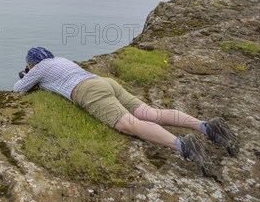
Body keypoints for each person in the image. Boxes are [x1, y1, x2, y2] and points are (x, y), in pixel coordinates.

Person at [13, 47, 240, 176]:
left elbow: (18, 89)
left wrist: (28, 75)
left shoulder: (39, 68)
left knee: (128, 124)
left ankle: (183, 145)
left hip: (87, 91)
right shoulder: (62, 60)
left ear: (32, 63)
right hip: (104, 82)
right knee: (152, 113)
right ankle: (206, 126)